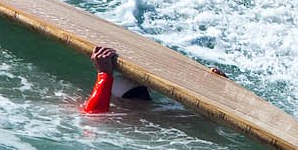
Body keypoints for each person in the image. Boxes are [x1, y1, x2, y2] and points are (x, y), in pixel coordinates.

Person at [80, 45, 226, 113]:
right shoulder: (162, 112)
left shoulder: (160, 111)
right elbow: (94, 114)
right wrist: (104, 74)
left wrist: (104, 74)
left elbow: (94, 114)